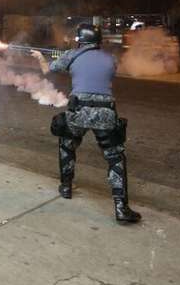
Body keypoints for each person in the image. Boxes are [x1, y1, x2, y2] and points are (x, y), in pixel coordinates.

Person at [32, 24, 141, 223]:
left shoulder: (72, 55)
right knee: (115, 158)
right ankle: (121, 208)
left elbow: (48, 70)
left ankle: (66, 187)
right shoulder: (110, 58)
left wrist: (40, 57)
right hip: (105, 111)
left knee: (67, 145)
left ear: (80, 40)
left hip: (79, 110)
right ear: (98, 41)